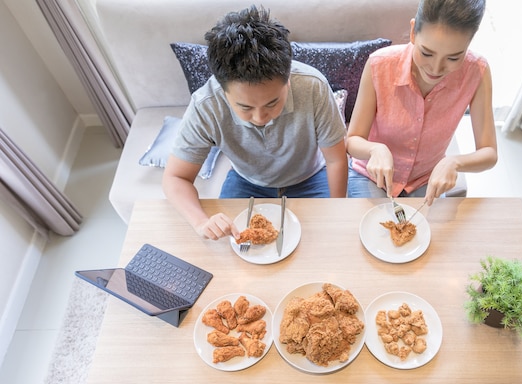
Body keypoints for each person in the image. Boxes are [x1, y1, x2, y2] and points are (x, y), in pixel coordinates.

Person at [162, 5, 348, 241]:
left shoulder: (313, 86)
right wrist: (201, 222)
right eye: (245, 107)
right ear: (224, 92)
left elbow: (335, 159)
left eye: (272, 103)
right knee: (231, 252)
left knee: (329, 242)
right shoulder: (206, 104)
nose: (260, 118)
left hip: (311, 177)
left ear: (288, 81)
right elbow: (175, 178)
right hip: (247, 181)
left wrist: (339, 209)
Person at [346, 0, 497, 205]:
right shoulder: (379, 65)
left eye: (453, 58)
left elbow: (489, 153)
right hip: (372, 176)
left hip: (426, 179)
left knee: (430, 236)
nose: (435, 69)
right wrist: (375, 150)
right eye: (427, 53)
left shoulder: (477, 72)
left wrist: (454, 162)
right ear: (412, 32)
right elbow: (353, 139)